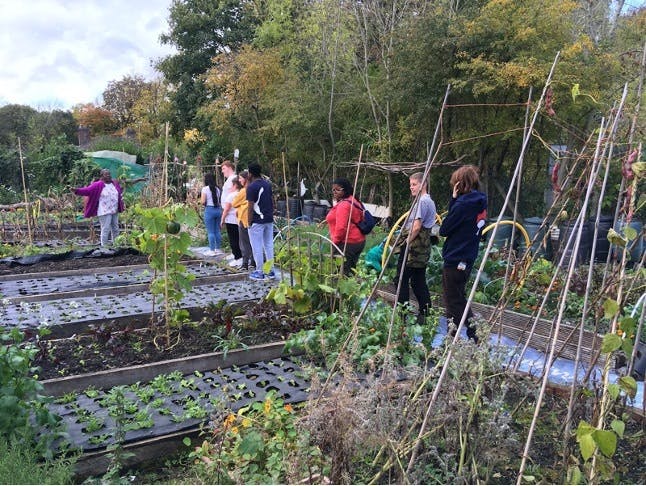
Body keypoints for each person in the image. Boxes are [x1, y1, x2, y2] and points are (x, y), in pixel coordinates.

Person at [439, 165, 488, 343]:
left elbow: (444, 229)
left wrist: (454, 201)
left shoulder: (463, 205)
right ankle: (461, 335)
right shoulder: (480, 203)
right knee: (457, 296)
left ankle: (466, 333)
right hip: (468, 255)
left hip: (455, 256)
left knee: (453, 300)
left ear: (459, 184)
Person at [396, 172, 436, 324]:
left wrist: (405, 243)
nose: (411, 188)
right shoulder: (428, 201)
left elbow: (417, 227)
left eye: (414, 184)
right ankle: (424, 314)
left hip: (414, 247)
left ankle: (402, 315)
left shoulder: (422, 201)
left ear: (423, 183)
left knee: (400, 279)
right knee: (418, 280)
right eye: (410, 185)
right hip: (422, 247)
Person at [72, 168, 125, 247]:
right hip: (104, 211)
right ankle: (104, 246)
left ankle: (116, 245)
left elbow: (122, 188)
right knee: (106, 228)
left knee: (115, 228)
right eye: (106, 174)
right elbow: (87, 190)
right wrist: (76, 190)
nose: (108, 176)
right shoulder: (98, 184)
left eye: (109, 174)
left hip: (114, 209)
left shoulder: (114, 183)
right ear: (102, 176)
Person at [325, 177, 366, 276]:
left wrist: (334, 243)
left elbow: (341, 228)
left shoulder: (344, 205)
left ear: (345, 189)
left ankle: (340, 291)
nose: (334, 192)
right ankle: (352, 289)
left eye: (338, 189)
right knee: (350, 270)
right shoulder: (353, 200)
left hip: (347, 242)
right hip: (358, 241)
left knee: (341, 273)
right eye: (333, 189)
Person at [246, 163, 275, 281]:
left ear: (250, 173)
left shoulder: (251, 187)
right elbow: (271, 200)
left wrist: (248, 221)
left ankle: (259, 271)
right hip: (269, 219)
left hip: (257, 220)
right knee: (268, 245)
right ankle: (270, 271)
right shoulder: (267, 185)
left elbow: (250, 206)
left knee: (256, 246)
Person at [231, 171, 255, 271]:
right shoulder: (253, 189)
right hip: (253, 218)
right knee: (253, 242)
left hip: (243, 218)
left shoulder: (243, 191)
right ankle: (253, 262)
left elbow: (234, 203)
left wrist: (241, 205)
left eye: (240, 178)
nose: (239, 180)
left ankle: (245, 263)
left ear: (245, 179)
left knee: (244, 242)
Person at [220, 160, 242, 265]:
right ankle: (235, 254)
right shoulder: (229, 179)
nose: (222, 171)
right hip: (229, 211)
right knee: (233, 236)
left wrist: (224, 213)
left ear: (229, 167)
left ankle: (238, 256)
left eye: (223, 168)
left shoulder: (233, 178)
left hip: (232, 211)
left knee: (234, 236)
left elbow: (231, 196)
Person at [201, 172, 223, 257]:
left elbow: (203, 201)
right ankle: (218, 249)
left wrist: (204, 203)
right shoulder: (218, 189)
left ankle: (212, 250)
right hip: (218, 210)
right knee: (217, 230)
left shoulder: (205, 189)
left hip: (209, 210)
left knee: (210, 232)